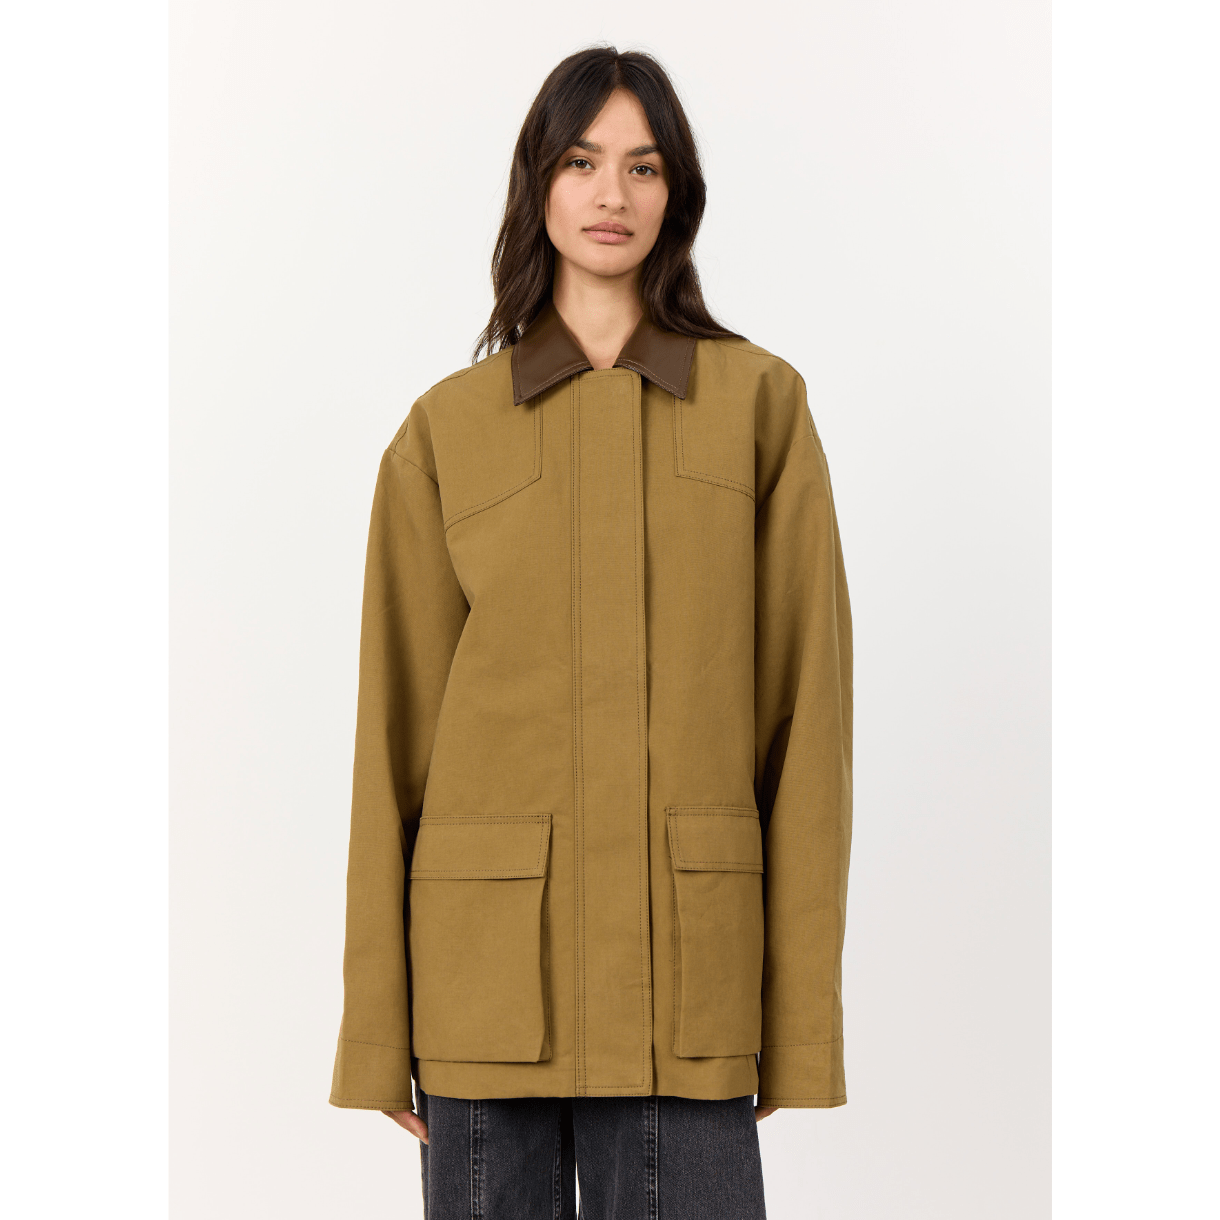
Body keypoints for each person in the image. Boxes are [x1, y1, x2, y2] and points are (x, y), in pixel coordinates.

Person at [329, 45, 853, 1220]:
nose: (611, 193)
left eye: (642, 166)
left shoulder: (760, 408)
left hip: (685, 985)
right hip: (484, 988)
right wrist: (375, 1032)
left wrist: (795, 1022)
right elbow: (391, 744)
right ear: (538, 183)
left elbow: (806, 721)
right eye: (580, 161)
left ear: (676, 194)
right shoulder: (446, 431)